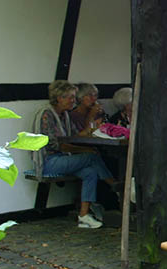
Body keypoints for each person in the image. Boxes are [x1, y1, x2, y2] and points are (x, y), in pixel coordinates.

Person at [31, 81, 117, 229]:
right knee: (91, 156)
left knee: (90, 172)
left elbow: (73, 137)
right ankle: (116, 186)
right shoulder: (46, 115)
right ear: (59, 98)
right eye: (70, 97)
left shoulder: (65, 115)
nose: (73, 101)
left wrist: (92, 127)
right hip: (48, 162)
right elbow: (56, 145)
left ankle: (83, 216)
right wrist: (85, 150)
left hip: (63, 159)